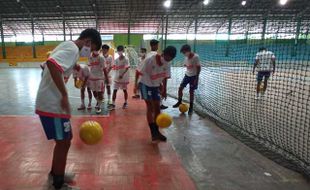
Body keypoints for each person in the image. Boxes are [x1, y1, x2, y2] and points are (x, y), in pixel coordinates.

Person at [35, 28, 102, 189]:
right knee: (64, 142)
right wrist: (64, 95)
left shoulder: (67, 46)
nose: (89, 52)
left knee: (63, 141)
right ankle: (58, 183)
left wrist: (75, 67)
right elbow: (51, 64)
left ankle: (56, 173)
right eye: (91, 48)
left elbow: (44, 65)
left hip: (52, 103)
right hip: (53, 104)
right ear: (87, 42)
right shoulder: (72, 48)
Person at [135, 46, 177, 143]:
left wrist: (164, 89)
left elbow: (165, 76)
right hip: (145, 84)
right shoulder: (150, 60)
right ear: (163, 53)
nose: (168, 60)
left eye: (171, 58)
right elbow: (138, 71)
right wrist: (135, 85)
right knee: (150, 107)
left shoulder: (167, 63)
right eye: (167, 57)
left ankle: (157, 132)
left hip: (155, 85)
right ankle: (153, 133)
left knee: (157, 108)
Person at [172, 44, 201, 114]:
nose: (184, 54)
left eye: (184, 52)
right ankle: (179, 101)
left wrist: (196, 79)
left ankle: (191, 107)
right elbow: (185, 65)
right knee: (180, 88)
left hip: (193, 77)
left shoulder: (196, 57)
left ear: (188, 51)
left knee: (191, 92)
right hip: (187, 75)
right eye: (183, 53)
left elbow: (199, 68)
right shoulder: (186, 58)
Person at [109, 45, 130, 110]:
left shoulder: (126, 59)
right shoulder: (116, 60)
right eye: (118, 50)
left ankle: (126, 102)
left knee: (124, 90)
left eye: (121, 50)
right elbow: (114, 67)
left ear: (123, 51)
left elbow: (127, 68)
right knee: (115, 90)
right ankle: (113, 103)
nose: (119, 52)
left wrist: (122, 75)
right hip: (117, 78)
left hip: (124, 78)